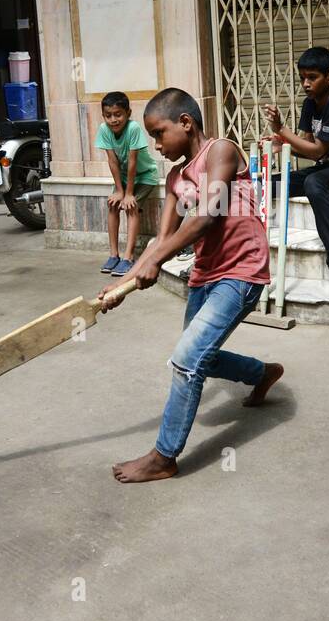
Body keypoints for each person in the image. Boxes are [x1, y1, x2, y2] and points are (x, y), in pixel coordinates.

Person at [98, 87, 284, 483]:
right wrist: (122, 284)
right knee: (202, 357)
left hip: (241, 272)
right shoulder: (174, 178)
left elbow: (208, 216)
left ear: (186, 123)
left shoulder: (222, 151)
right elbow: (159, 241)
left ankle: (164, 456)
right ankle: (261, 373)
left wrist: (158, 261)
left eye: (159, 133)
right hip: (205, 273)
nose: (157, 144)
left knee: (186, 359)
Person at [263, 45, 329, 301]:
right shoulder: (309, 104)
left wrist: (281, 129)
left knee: (313, 182)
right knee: (265, 183)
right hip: (326, 169)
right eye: (302, 78)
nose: (306, 84)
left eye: (312, 77)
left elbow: (317, 151)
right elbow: (309, 147)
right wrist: (283, 144)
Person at [94, 91, 161, 277]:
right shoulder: (103, 130)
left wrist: (129, 193)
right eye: (108, 115)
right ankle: (113, 255)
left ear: (128, 113)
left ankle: (128, 258)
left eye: (118, 114)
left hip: (145, 176)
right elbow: (113, 161)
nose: (113, 120)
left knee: (132, 206)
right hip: (123, 178)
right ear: (103, 116)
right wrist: (119, 191)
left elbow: (132, 162)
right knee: (113, 204)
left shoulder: (133, 128)